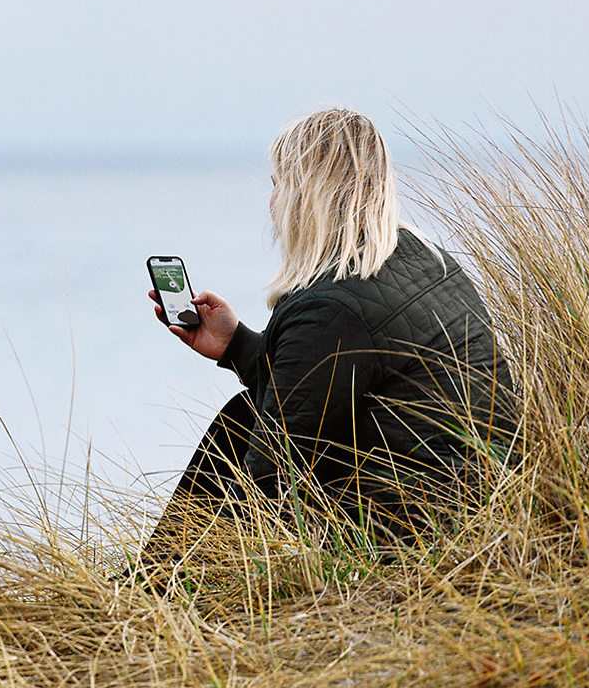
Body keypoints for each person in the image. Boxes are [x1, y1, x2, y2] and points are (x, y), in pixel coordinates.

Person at [143, 108, 517, 563]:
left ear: (306, 196)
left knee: (239, 426)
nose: (272, 202)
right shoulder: (427, 260)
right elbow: (323, 384)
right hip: (484, 499)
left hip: (415, 532)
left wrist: (221, 554)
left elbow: (271, 479)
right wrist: (236, 344)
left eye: (279, 184)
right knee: (247, 414)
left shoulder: (332, 307)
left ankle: (159, 586)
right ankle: (156, 579)